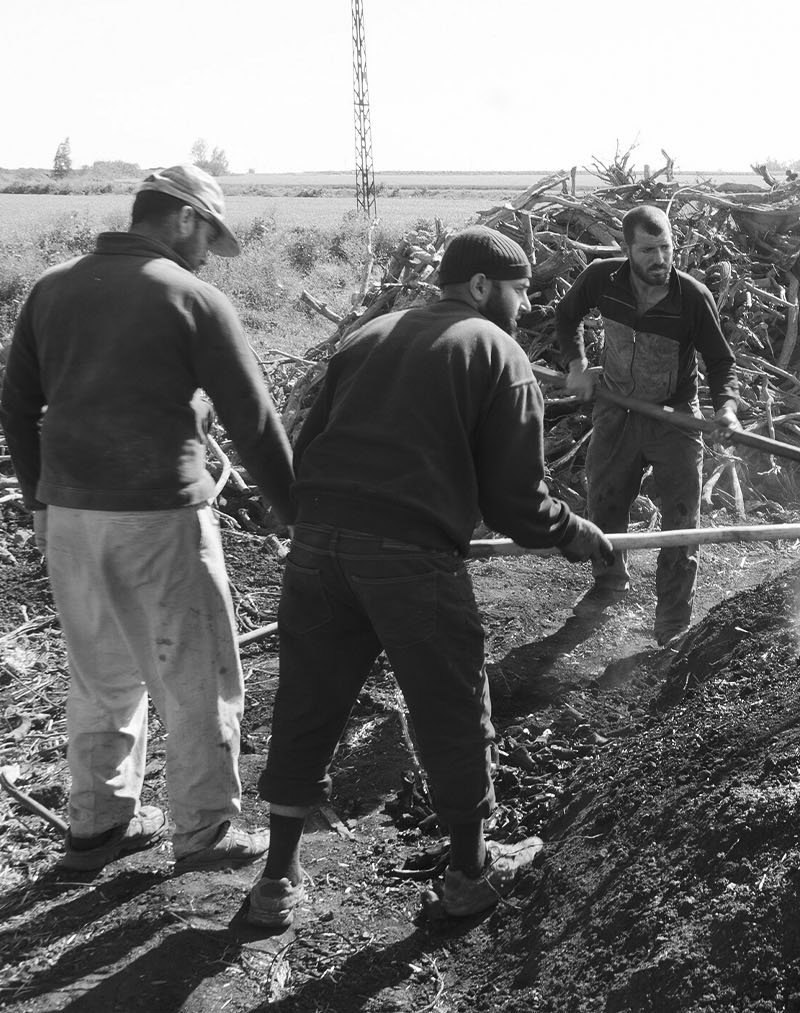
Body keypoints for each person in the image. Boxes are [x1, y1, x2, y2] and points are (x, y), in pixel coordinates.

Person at [247, 226, 615, 928]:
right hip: (408, 559)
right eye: (519, 290)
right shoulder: (495, 351)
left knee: (308, 702)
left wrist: (324, 524)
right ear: (481, 286)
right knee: (452, 705)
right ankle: (471, 876)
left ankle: (275, 880)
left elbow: (309, 438)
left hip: (318, 546)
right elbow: (517, 500)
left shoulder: (371, 334)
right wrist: (575, 533)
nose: (527, 308)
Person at [0, 164, 295, 874]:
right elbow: (253, 423)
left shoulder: (53, 286)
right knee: (195, 673)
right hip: (160, 516)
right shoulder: (191, 297)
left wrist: (40, 500)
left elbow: (17, 407)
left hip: (70, 515)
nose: (205, 253)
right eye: (207, 236)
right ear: (186, 218)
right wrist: (301, 516)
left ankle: (96, 825)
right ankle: (205, 831)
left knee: (100, 677)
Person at [556, 205, 739, 645]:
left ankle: (672, 620)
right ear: (627, 250)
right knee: (604, 502)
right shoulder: (603, 280)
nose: (660, 259)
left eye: (666, 248)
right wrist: (578, 363)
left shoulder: (692, 298)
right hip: (616, 410)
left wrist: (727, 408)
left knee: (681, 522)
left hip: (673, 418)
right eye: (648, 250)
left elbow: (721, 362)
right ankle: (608, 582)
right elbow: (567, 316)